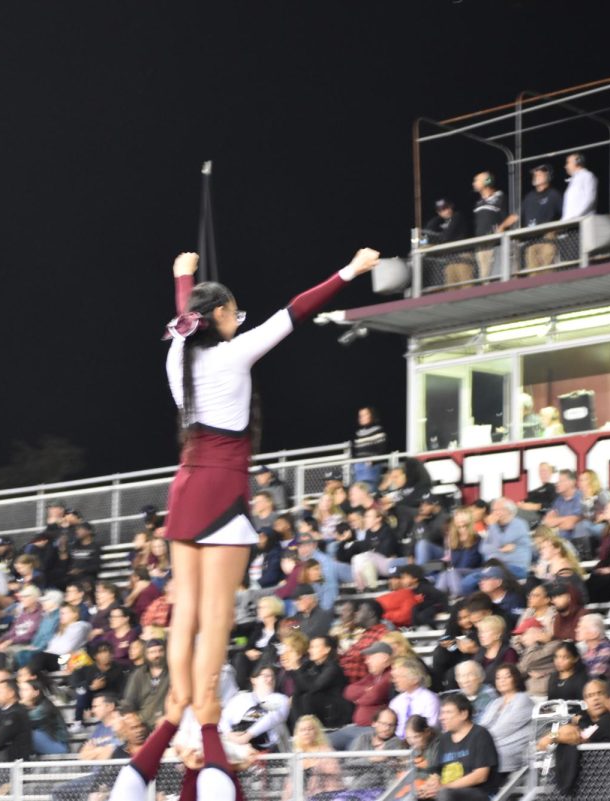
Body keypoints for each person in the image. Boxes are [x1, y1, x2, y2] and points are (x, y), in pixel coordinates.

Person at [107, 248, 381, 801]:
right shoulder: (234, 355)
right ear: (222, 319)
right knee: (216, 614)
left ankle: (176, 699)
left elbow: (189, 315)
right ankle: (204, 705)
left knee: (184, 610)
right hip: (224, 490)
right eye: (234, 311)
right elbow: (296, 312)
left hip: (184, 487)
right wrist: (350, 271)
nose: (242, 316)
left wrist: (182, 276)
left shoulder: (179, 353)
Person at [423, 694, 500, 800]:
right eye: (442, 713)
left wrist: (444, 787)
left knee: (445, 795)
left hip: (478, 793)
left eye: (448, 712)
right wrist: (431, 785)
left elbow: (480, 776)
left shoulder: (480, 735)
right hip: (447, 792)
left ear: (463, 714)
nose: (442, 717)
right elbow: (437, 771)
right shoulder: (444, 739)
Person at [501, 164, 564, 270]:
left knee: (547, 272)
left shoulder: (554, 194)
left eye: (539, 174)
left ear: (548, 176)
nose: (536, 176)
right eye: (535, 175)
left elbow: (566, 215)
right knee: (533, 275)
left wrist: (556, 230)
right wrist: (502, 226)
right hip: (531, 242)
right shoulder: (529, 197)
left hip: (547, 241)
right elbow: (516, 216)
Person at [219, 664, 290, 754]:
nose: (270, 679)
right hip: (238, 746)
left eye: (272, 676)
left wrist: (247, 736)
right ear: (254, 679)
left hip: (268, 749)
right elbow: (223, 718)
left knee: (263, 710)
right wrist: (229, 734)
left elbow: (272, 718)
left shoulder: (280, 699)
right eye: (266, 676)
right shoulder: (240, 698)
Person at [477, 664, 531, 776]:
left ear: (515, 679)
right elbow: (482, 725)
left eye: (507, 677)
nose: (502, 681)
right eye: (498, 678)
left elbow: (506, 727)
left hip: (511, 747)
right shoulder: (495, 702)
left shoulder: (523, 699)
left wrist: (480, 740)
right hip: (491, 743)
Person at [283, 716, 343, 801]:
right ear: (298, 733)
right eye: (303, 730)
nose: (306, 732)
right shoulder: (296, 753)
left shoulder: (326, 752)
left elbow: (333, 780)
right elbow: (290, 784)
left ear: (316, 732)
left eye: (310, 729)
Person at [388, 657, 439, 737]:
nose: (394, 680)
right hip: (396, 744)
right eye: (394, 677)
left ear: (415, 679)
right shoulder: (395, 702)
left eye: (398, 677)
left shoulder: (430, 700)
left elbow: (431, 727)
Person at [471, 171, 507, 281]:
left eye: (476, 180)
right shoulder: (479, 203)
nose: (474, 183)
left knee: (497, 277)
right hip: (481, 246)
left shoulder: (499, 197)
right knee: (483, 278)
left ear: (486, 182)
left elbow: (510, 217)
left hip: (495, 245)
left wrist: (501, 228)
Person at [351, 407, 388, 486]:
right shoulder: (358, 433)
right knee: (358, 488)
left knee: (369, 488)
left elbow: (382, 449)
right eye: (360, 416)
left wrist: (373, 461)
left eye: (365, 415)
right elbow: (356, 452)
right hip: (359, 466)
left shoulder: (378, 430)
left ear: (371, 415)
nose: (362, 418)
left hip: (371, 465)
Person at [560, 152, 597, 220]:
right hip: (570, 223)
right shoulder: (573, 180)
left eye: (568, 162)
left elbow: (590, 199)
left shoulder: (587, 176)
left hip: (582, 221)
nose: (566, 166)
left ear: (577, 162)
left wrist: (576, 216)